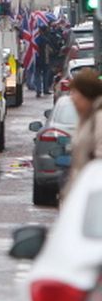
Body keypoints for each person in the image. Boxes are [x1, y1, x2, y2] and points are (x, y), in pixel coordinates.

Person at [61, 68, 102, 201]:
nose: (72, 98)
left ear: (86, 93)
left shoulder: (99, 119)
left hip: (92, 197)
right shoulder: (85, 118)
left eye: (74, 93)